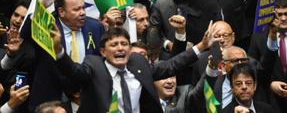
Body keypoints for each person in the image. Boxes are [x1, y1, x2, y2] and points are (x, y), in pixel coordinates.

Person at [51, 23, 217, 113]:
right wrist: (58, 50)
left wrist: (202, 46)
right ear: (103, 51)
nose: (120, 48)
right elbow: (73, 71)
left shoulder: (138, 63)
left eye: (124, 44)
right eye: (114, 45)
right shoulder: (94, 65)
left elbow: (170, 65)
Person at [15, 0, 105, 111]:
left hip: (85, 98)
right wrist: (40, 6)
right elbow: (24, 34)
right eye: (76, 9)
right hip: (50, 99)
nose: (83, 12)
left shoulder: (95, 27)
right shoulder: (48, 26)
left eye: (83, 7)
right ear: (62, 12)